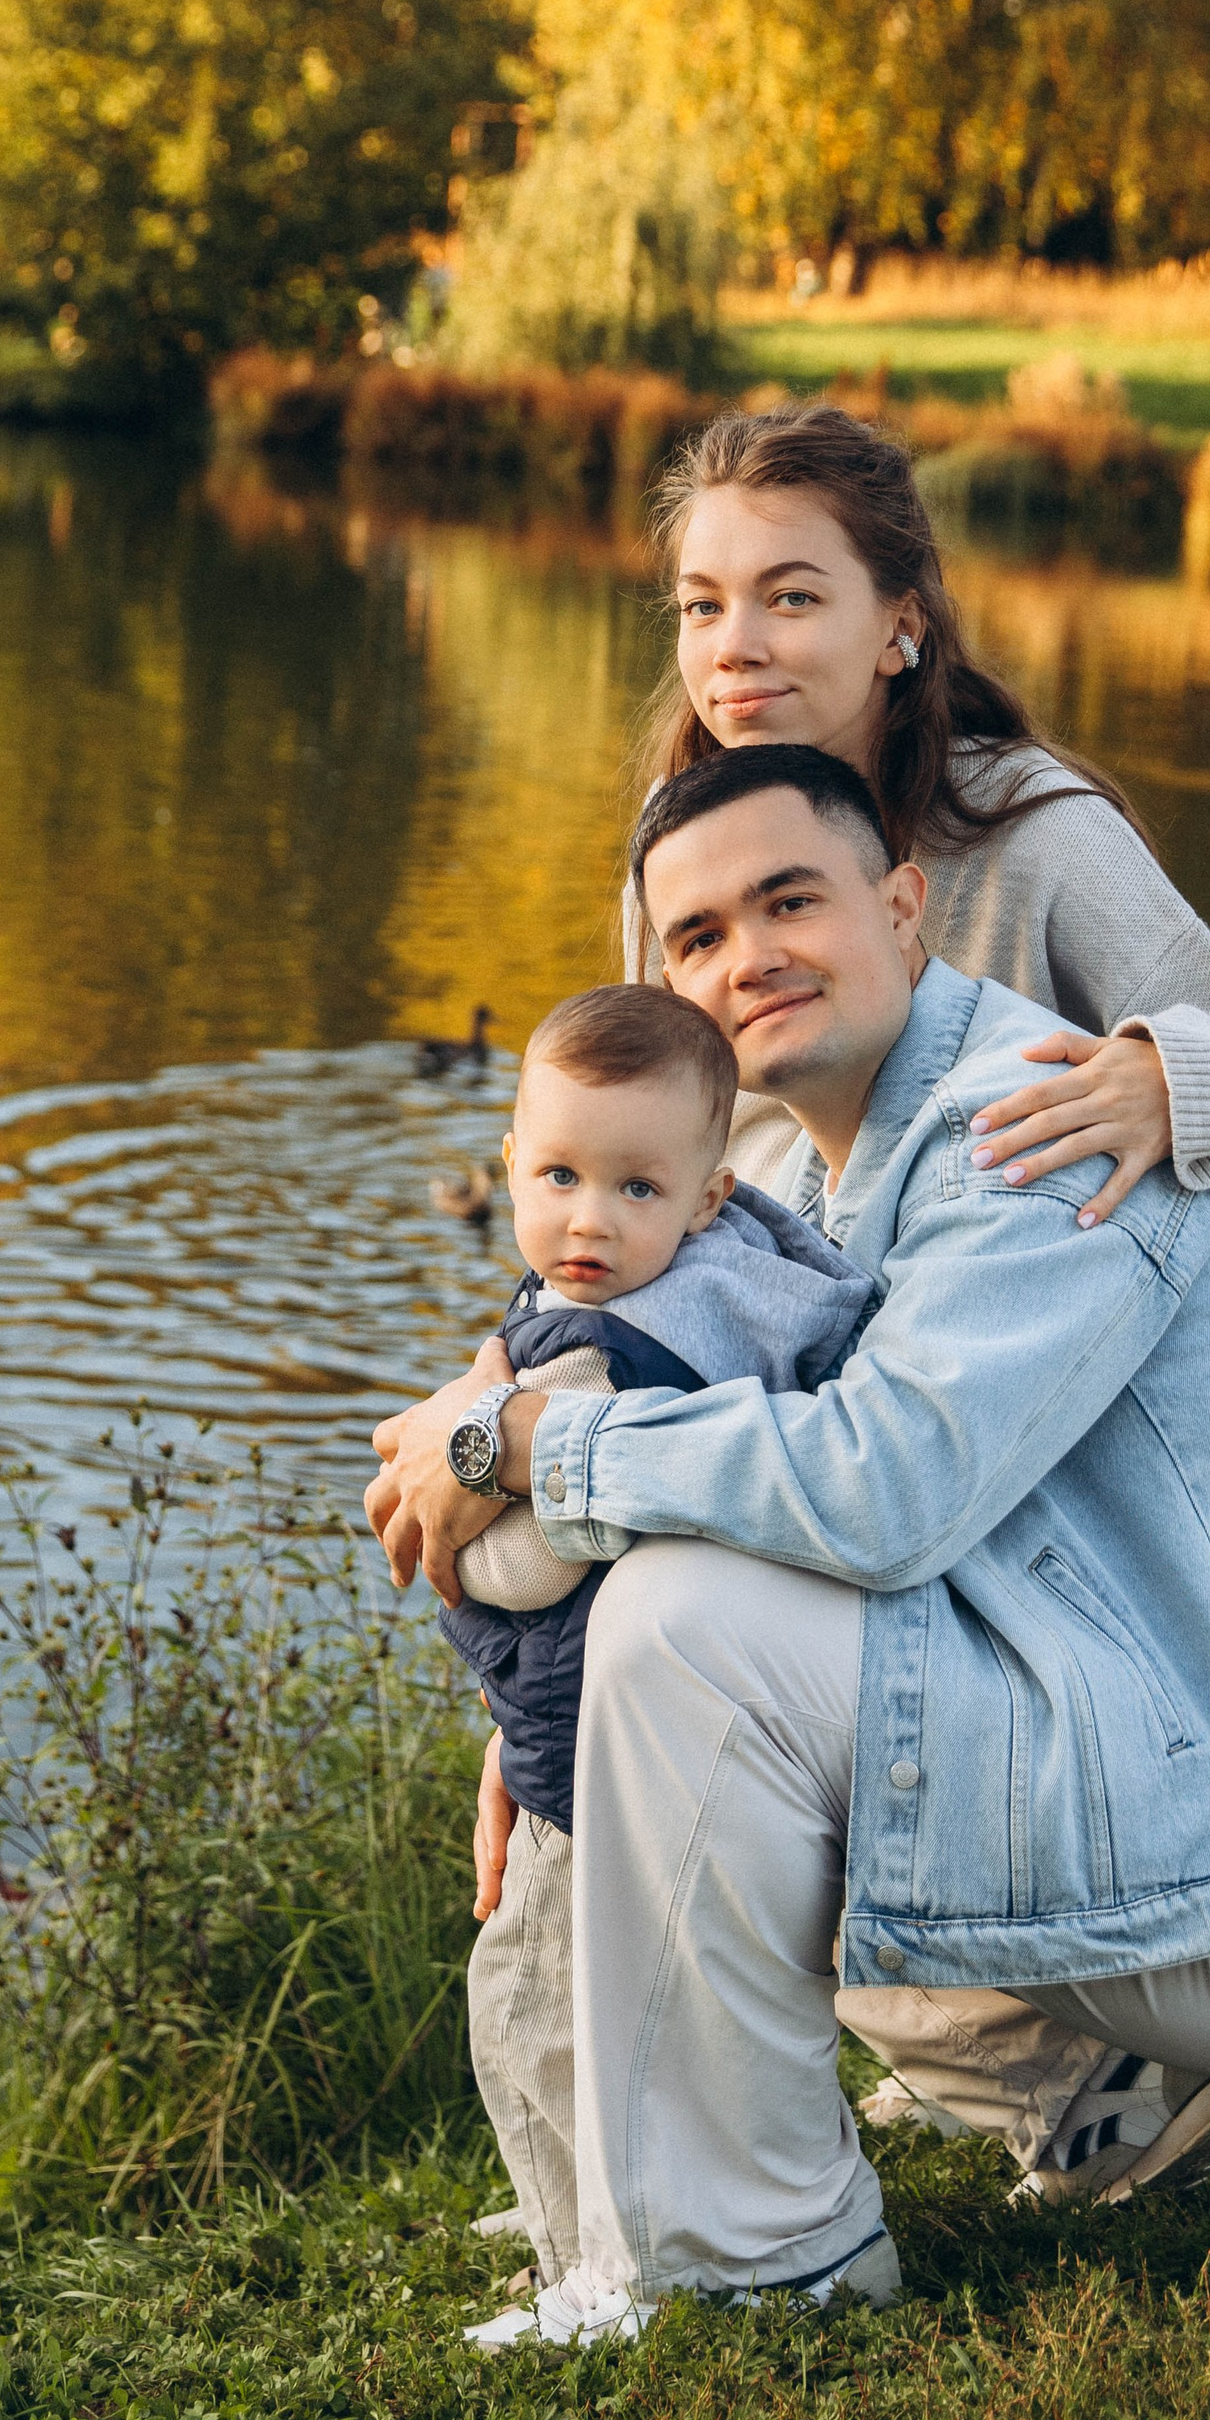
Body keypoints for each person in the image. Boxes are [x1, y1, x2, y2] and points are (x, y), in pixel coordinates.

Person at [370, 741, 1210, 2349]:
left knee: (680, 1626)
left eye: (790, 899)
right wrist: (549, 1720)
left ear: (899, 904)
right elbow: (790, 1464)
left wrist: (532, 1439)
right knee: (665, 1657)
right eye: (695, 937)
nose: (746, 958)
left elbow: (884, 1488)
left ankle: (768, 2260)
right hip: (1198, 1783)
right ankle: (1083, 2096)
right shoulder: (820, 1178)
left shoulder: (1028, 1124)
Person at [634, 403, 1210, 1246]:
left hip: (998, 1337)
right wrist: (531, 1369)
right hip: (753, 1336)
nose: (734, 646)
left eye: (790, 597)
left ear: (898, 627)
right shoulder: (675, 843)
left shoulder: (1035, 837)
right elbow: (624, 1167)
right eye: (702, 607)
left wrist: (1172, 1085)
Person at [441, 983, 873, 2314]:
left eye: (634, 1189)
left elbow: (538, 1553)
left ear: (703, 1199)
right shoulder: (718, 1286)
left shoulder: (607, 1354)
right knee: (610, 2016)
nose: (586, 1220)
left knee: (537, 2012)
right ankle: (585, 2217)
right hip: (629, 1735)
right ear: (512, 1158)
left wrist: (455, 1549)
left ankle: (587, 2263)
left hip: (596, 1749)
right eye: (559, 1173)